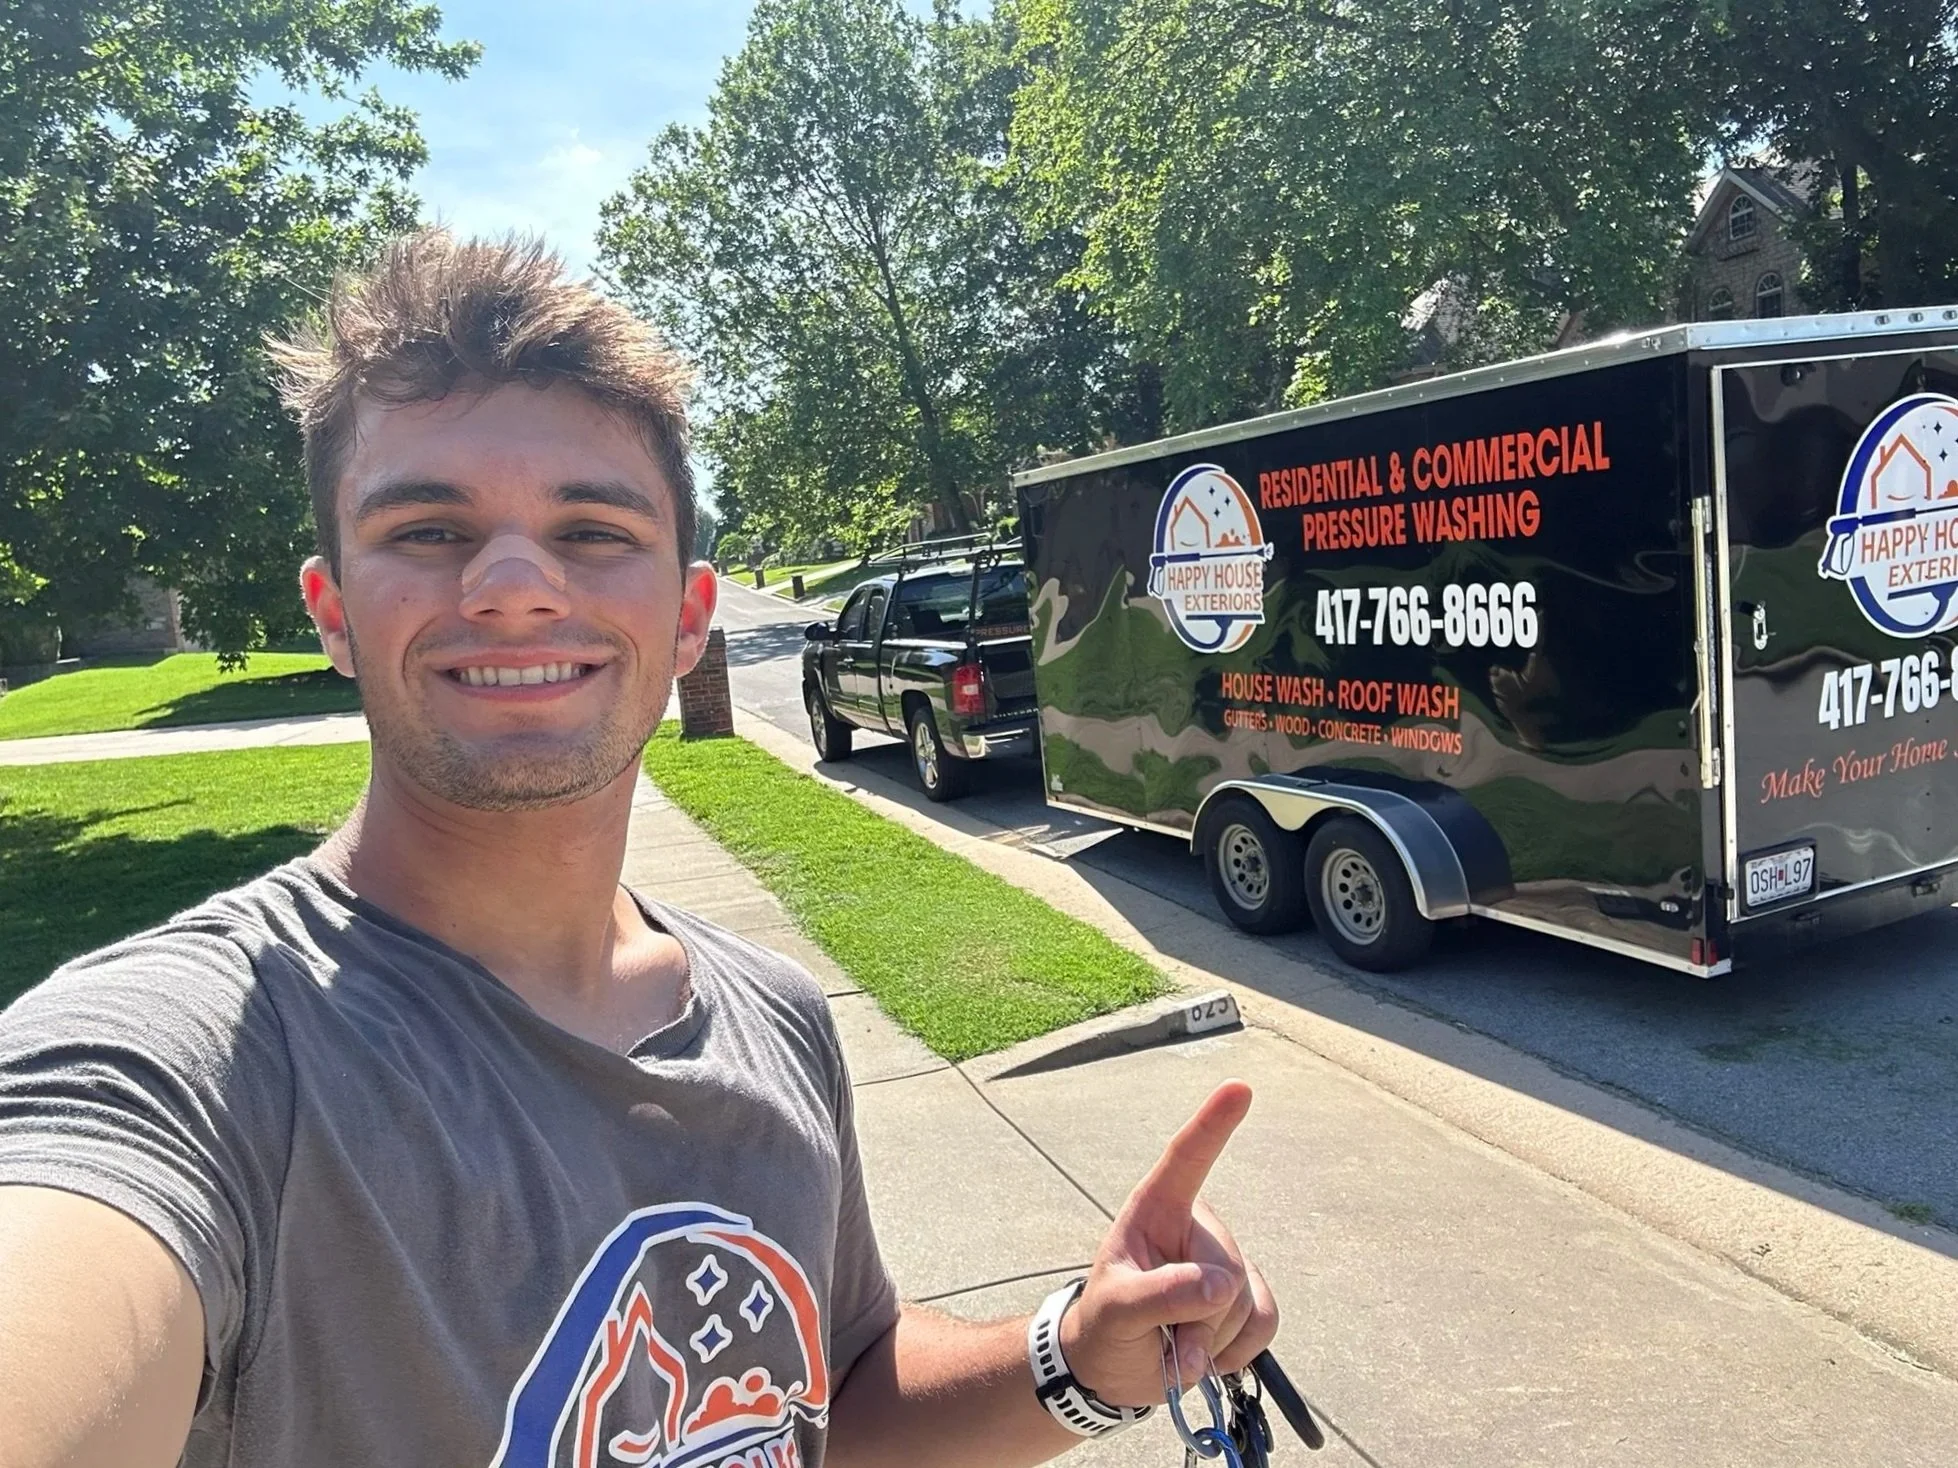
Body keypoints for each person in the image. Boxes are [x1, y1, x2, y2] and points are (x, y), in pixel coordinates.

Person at [0, 231, 1277, 1468]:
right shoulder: (192, 1062)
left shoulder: (772, 1017)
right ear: (332, 609)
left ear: (687, 619)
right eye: (428, 530)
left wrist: (1081, 1354)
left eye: (593, 531)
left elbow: (831, 1403)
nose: (511, 582)